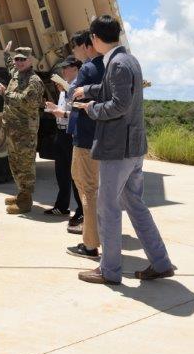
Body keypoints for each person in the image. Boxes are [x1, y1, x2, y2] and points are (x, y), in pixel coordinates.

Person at [73, 15, 175, 285]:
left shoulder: (116, 64)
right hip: (134, 148)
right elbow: (115, 90)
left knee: (107, 208)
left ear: (95, 39)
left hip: (118, 149)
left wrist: (91, 108)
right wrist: (88, 90)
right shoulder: (128, 59)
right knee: (134, 204)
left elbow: (118, 104)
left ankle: (109, 270)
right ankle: (161, 262)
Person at [65, 30, 105, 260]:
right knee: (94, 188)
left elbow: (74, 97)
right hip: (100, 137)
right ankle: (95, 236)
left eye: (76, 48)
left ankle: (90, 244)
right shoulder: (108, 67)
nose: (75, 53)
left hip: (85, 137)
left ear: (86, 46)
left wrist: (69, 89)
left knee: (87, 188)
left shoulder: (89, 69)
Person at [0, 43, 45, 214]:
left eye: (22, 60)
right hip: (13, 128)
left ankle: (25, 201)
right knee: (15, 163)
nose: (18, 62)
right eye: (17, 59)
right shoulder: (17, 73)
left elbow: (28, 100)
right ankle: (21, 193)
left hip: (25, 130)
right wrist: (5, 55)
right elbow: (10, 67)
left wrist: (6, 93)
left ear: (30, 60)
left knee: (25, 165)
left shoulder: (34, 80)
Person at [44, 56, 82, 216]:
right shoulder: (63, 89)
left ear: (76, 69)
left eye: (67, 68)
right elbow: (63, 108)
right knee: (61, 173)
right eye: (63, 68)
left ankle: (81, 210)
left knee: (75, 175)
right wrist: (54, 109)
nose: (63, 71)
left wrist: (63, 114)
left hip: (71, 134)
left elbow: (79, 112)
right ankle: (62, 206)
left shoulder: (78, 88)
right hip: (60, 132)